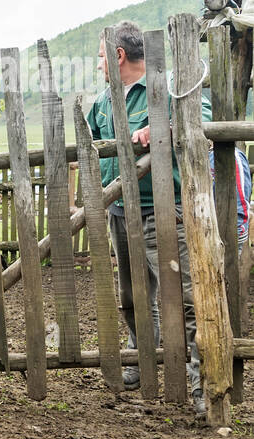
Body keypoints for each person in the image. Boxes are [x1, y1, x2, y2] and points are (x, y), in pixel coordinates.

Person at [87, 21, 212, 415]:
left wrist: (161, 128)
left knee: (185, 297)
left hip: (166, 210)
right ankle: (142, 360)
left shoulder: (168, 86)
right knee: (131, 296)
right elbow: (91, 152)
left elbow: (202, 123)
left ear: (119, 54)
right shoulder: (102, 103)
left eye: (102, 56)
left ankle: (200, 381)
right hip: (119, 211)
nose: (100, 64)